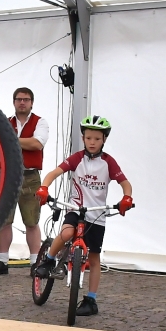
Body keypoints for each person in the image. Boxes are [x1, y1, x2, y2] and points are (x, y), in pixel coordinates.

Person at [33, 116, 134, 317]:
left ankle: (91, 299)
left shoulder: (108, 162)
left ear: (104, 140)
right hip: (75, 209)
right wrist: (44, 187)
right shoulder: (76, 158)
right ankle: (48, 260)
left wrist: (127, 198)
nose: (92, 142)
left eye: (97, 139)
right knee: (66, 233)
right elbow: (53, 173)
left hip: (97, 215)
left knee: (94, 259)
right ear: (83, 138)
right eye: (88, 138)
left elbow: (125, 183)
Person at [0, 87, 49, 276]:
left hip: (30, 176)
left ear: (32, 102)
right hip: (7, 176)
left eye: (26, 99)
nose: (22, 102)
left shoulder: (40, 122)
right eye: (19, 99)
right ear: (14, 102)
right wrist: (23, 141)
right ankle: (2, 261)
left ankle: (35, 262)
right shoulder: (4, 122)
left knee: (31, 221)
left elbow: (37, 144)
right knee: (3, 220)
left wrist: (10, 139)